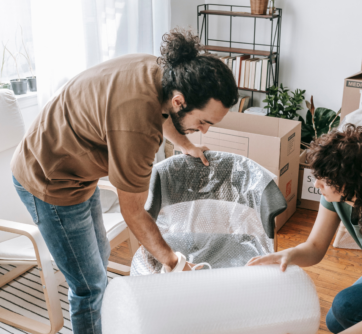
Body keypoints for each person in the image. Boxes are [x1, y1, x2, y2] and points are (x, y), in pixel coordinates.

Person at [11, 28, 238, 333]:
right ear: (180, 101)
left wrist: (185, 144)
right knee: (89, 286)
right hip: (50, 180)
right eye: (204, 121)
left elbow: (167, 116)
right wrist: (173, 261)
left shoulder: (161, 72)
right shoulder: (138, 130)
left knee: (99, 256)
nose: (205, 131)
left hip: (72, 163)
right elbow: (134, 213)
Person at [247, 124, 362, 334]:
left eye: (324, 180)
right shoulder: (339, 196)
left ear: (350, 183)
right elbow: (315, 247)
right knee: (337, 321)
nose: (317, 184)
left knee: (347, 308)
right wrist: (286, 255)